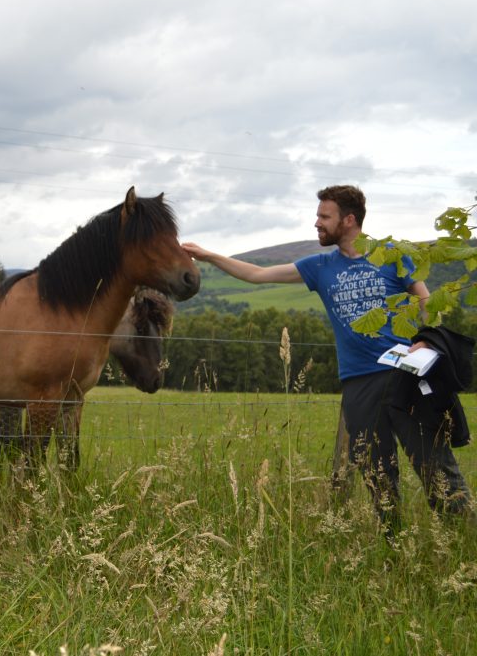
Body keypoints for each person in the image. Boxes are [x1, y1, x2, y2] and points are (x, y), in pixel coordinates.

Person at [183, 185, 473, 536]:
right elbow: (257, 275)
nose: (317, 223)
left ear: (349, 220)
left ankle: (464, 543)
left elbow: (427, 302)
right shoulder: (320, 266)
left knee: (435, 467)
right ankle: (396, 548)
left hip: (405, 377)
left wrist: (426, 339)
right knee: (377, 474)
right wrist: (208, 255)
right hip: (359, 383)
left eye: (324, 216)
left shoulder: (391, 254)